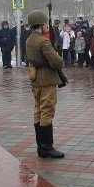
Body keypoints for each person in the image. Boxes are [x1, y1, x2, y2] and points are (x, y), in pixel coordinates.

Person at [25, 10, 65, 159]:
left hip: (35, 79)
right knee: (47, 110)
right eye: (46, 24)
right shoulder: (43, 41)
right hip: (47, 79)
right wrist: (57, 54)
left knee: (38, 110)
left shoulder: (29, 39)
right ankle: (47, 147)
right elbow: (56, 62)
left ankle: (40, 145)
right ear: (42, 24)